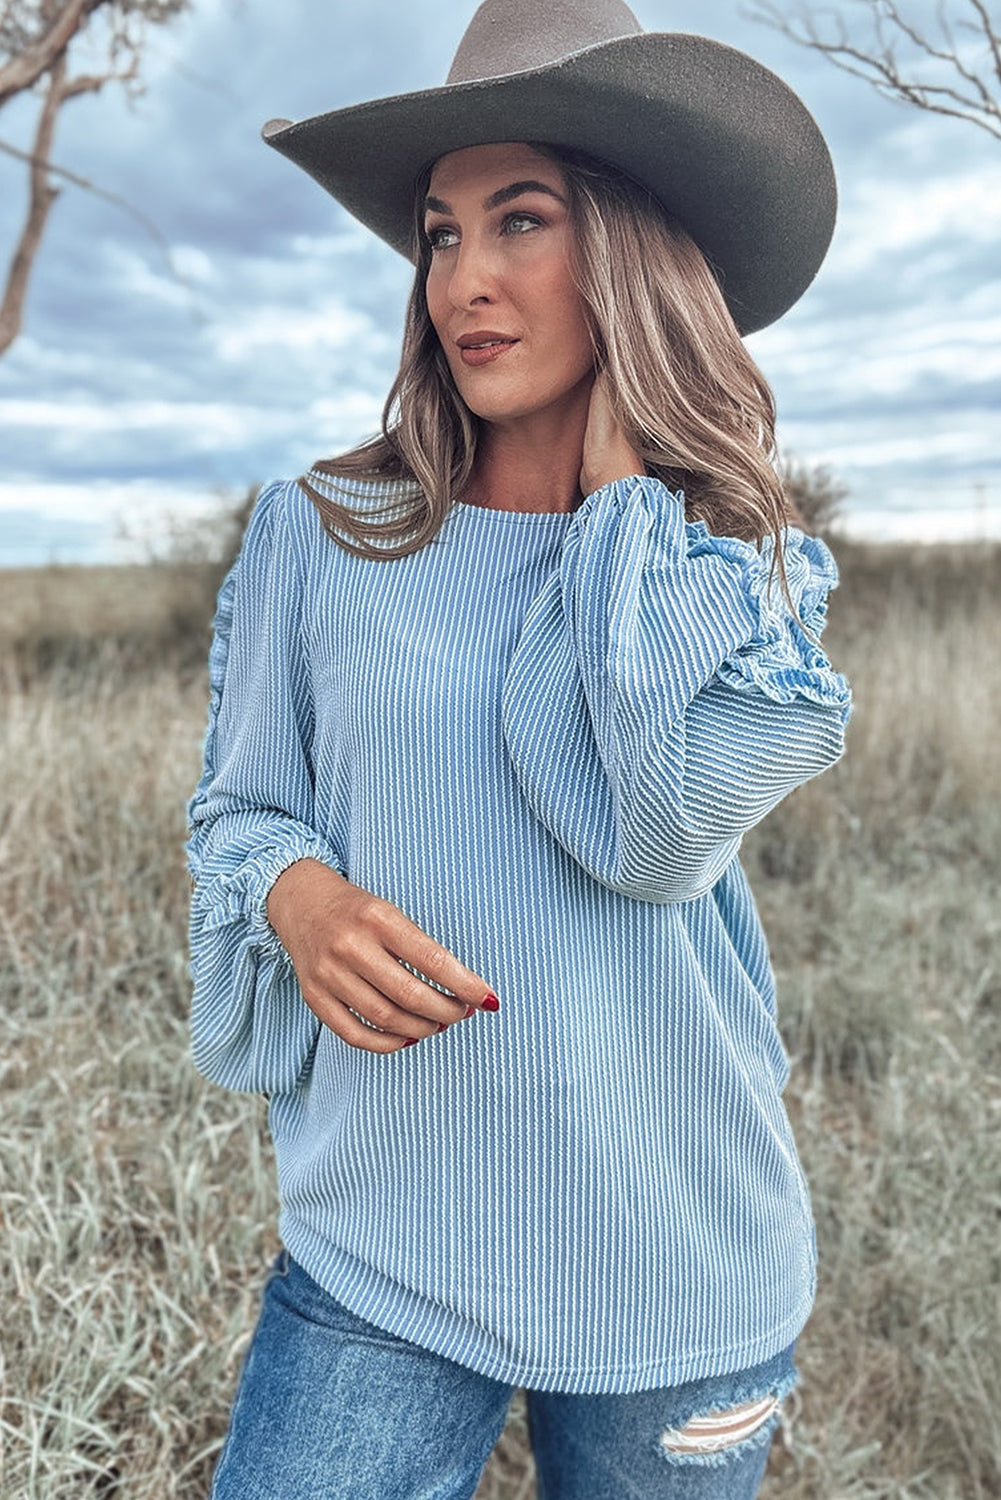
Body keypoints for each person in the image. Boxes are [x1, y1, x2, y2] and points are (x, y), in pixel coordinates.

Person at [186, 2, 852, 1496]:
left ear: (631, 253)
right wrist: (300, 898)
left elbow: (652, 833)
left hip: (675, 1251)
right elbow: (238, 809)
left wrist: (622, 517)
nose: (462, 281)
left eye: (521, 220)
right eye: (440, 234)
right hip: (388, 1239)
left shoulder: (732, 568)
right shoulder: (322, 534)